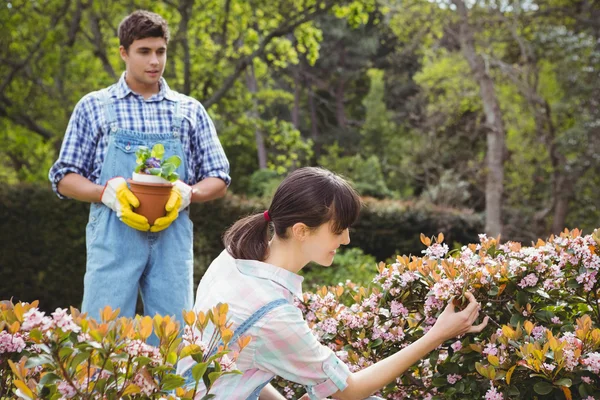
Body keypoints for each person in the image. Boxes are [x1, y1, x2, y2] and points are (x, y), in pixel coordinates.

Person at [177, 167, 488, 400]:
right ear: (301, 231)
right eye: (338, 229)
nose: (346, 239)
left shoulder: (233, 258)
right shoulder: (270, 311)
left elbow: (244, 363)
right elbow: (349, 391)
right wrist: (439, 333)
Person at [48, 10, 230, 329]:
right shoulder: (94, 107)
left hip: (170, 235)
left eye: (160, 51)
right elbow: (64, 177)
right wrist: (105, 194)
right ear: (124, 53)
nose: (154, 61)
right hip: (113, 235)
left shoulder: (190, 111)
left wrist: (190, 193)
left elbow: (219, 178)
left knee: (172, 335)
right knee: (102, 336)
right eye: (144, 51)